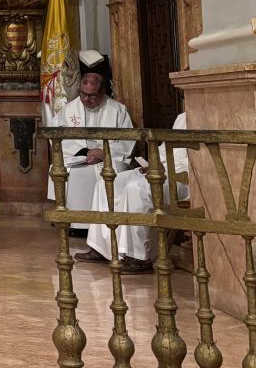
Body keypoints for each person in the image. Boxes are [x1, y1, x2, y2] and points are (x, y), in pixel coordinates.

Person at [76, 112, 189, 274]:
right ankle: (102, 248)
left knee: (136, 188)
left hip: (183, 178)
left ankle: (138, 256)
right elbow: (165, 149)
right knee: (107, 183)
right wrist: (154, 164)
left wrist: (163, 169)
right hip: (161, 169)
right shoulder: (182, 118)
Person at [47, 51, 135, 218]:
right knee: (68, 170)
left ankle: (104, 221)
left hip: (108, 158)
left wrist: (103, 153)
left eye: (92, 95)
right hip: (79, 157)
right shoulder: (69, 110)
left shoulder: (118, 110)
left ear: (103, 91)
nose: (86, 99)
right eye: (83, 94)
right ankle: (73, 221)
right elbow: (57, 137)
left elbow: (127, 142)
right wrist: (85, 152)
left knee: (109, 172)